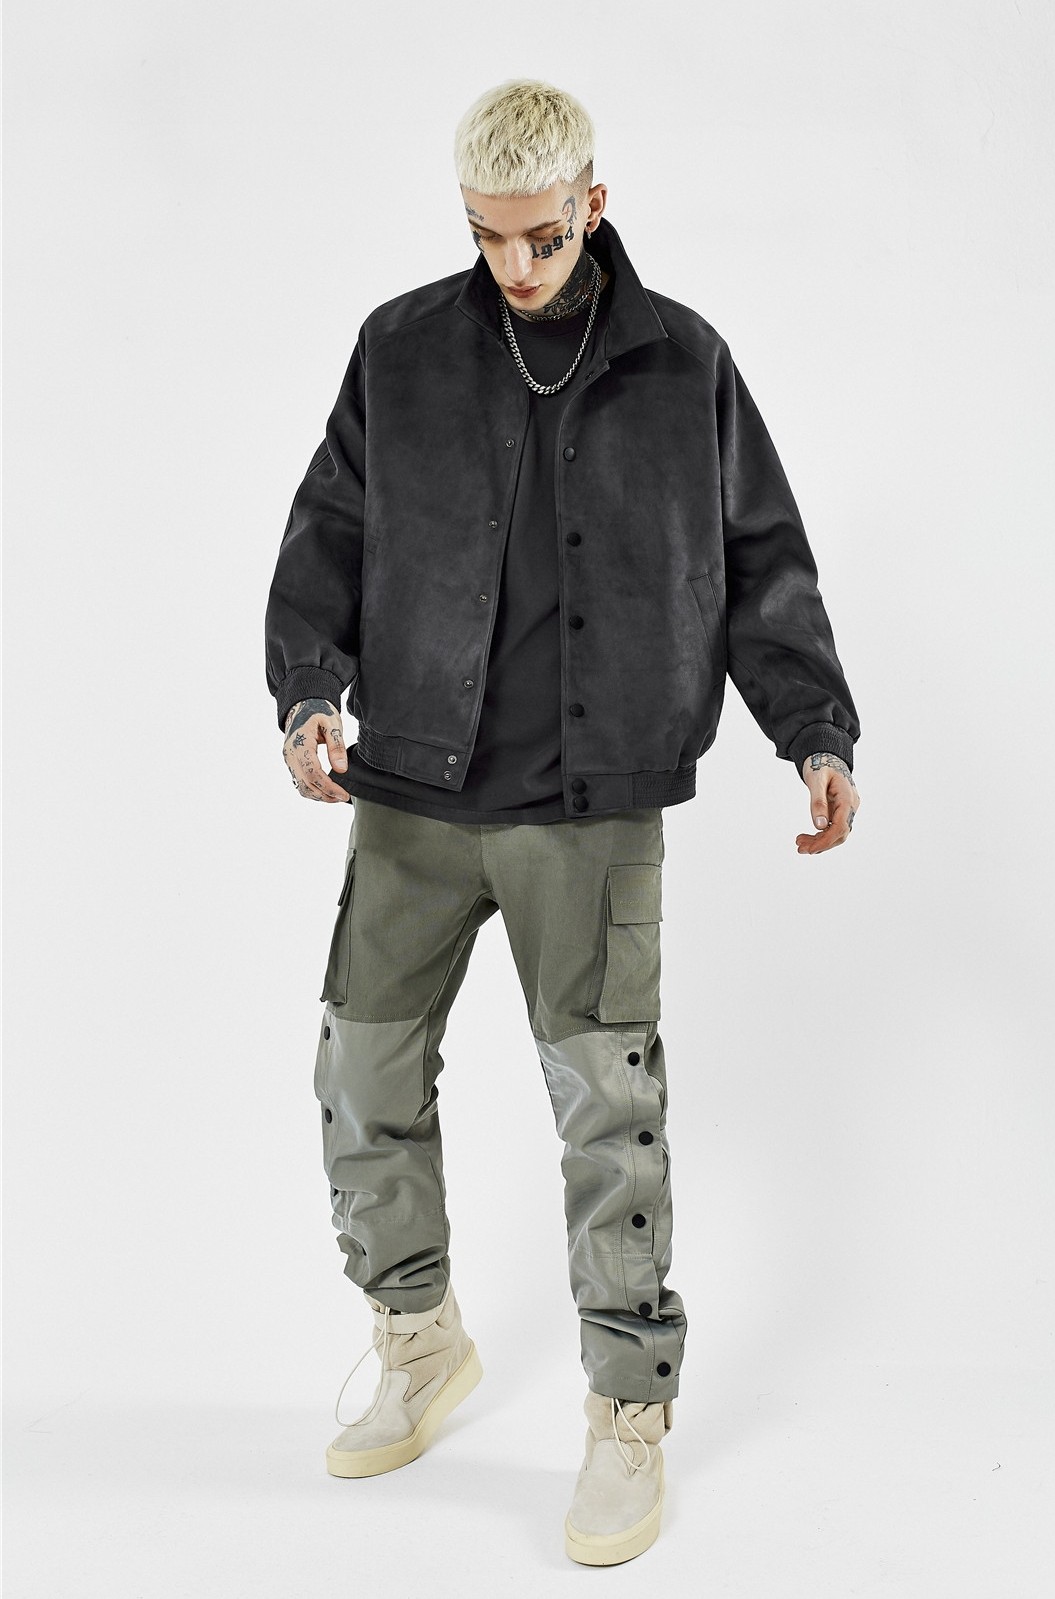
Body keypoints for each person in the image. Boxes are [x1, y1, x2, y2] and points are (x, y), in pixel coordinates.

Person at [264, 76, 862, 1568]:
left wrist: (813, 729)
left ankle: (625, 1412)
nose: (514, 265)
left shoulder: (682, 363)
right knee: (359, 1071)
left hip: (590, 811)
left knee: (610, 1113)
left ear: (594, 204)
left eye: (538, 236)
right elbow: (327, 528)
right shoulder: (401, 348)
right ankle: (419, 1338)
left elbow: (763, 557)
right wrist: (308, 691)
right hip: (410, 792)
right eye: (485, 236)